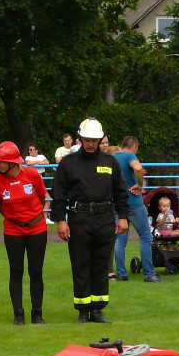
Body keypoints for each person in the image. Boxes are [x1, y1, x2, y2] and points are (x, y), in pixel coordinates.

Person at [50, 118, 129, 324]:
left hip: (104, 218)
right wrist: (60, 220)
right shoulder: (68, 163)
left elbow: (121, 191)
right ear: (81, 138)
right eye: (87, 140)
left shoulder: (110, 162)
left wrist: (122, 216)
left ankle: (97, 310)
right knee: (80, 263)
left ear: (101, 139)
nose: (91, 144)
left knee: (102, 265)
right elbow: (58, 194)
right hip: (79, 218)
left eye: (95, 140)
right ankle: (83, 310)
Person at [0, 141, 48, 325]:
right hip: (13, 230)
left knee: (36, 271)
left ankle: (37, 314)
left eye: (1, 162)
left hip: (37, 228)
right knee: (16, 271)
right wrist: (14, 218)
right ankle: (18, 315)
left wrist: (33, 216)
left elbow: (41, 196)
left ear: (12, 163)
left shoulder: (31, 175)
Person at [113, 136, 162, 283]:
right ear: (134, 146)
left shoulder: (113, 157)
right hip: (133, 203)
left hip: (117, 204)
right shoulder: (130, 156)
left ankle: (121, 274)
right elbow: (138, 168)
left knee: (120, 240)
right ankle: (149, 274)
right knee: (146, 237)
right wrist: (140, 184)